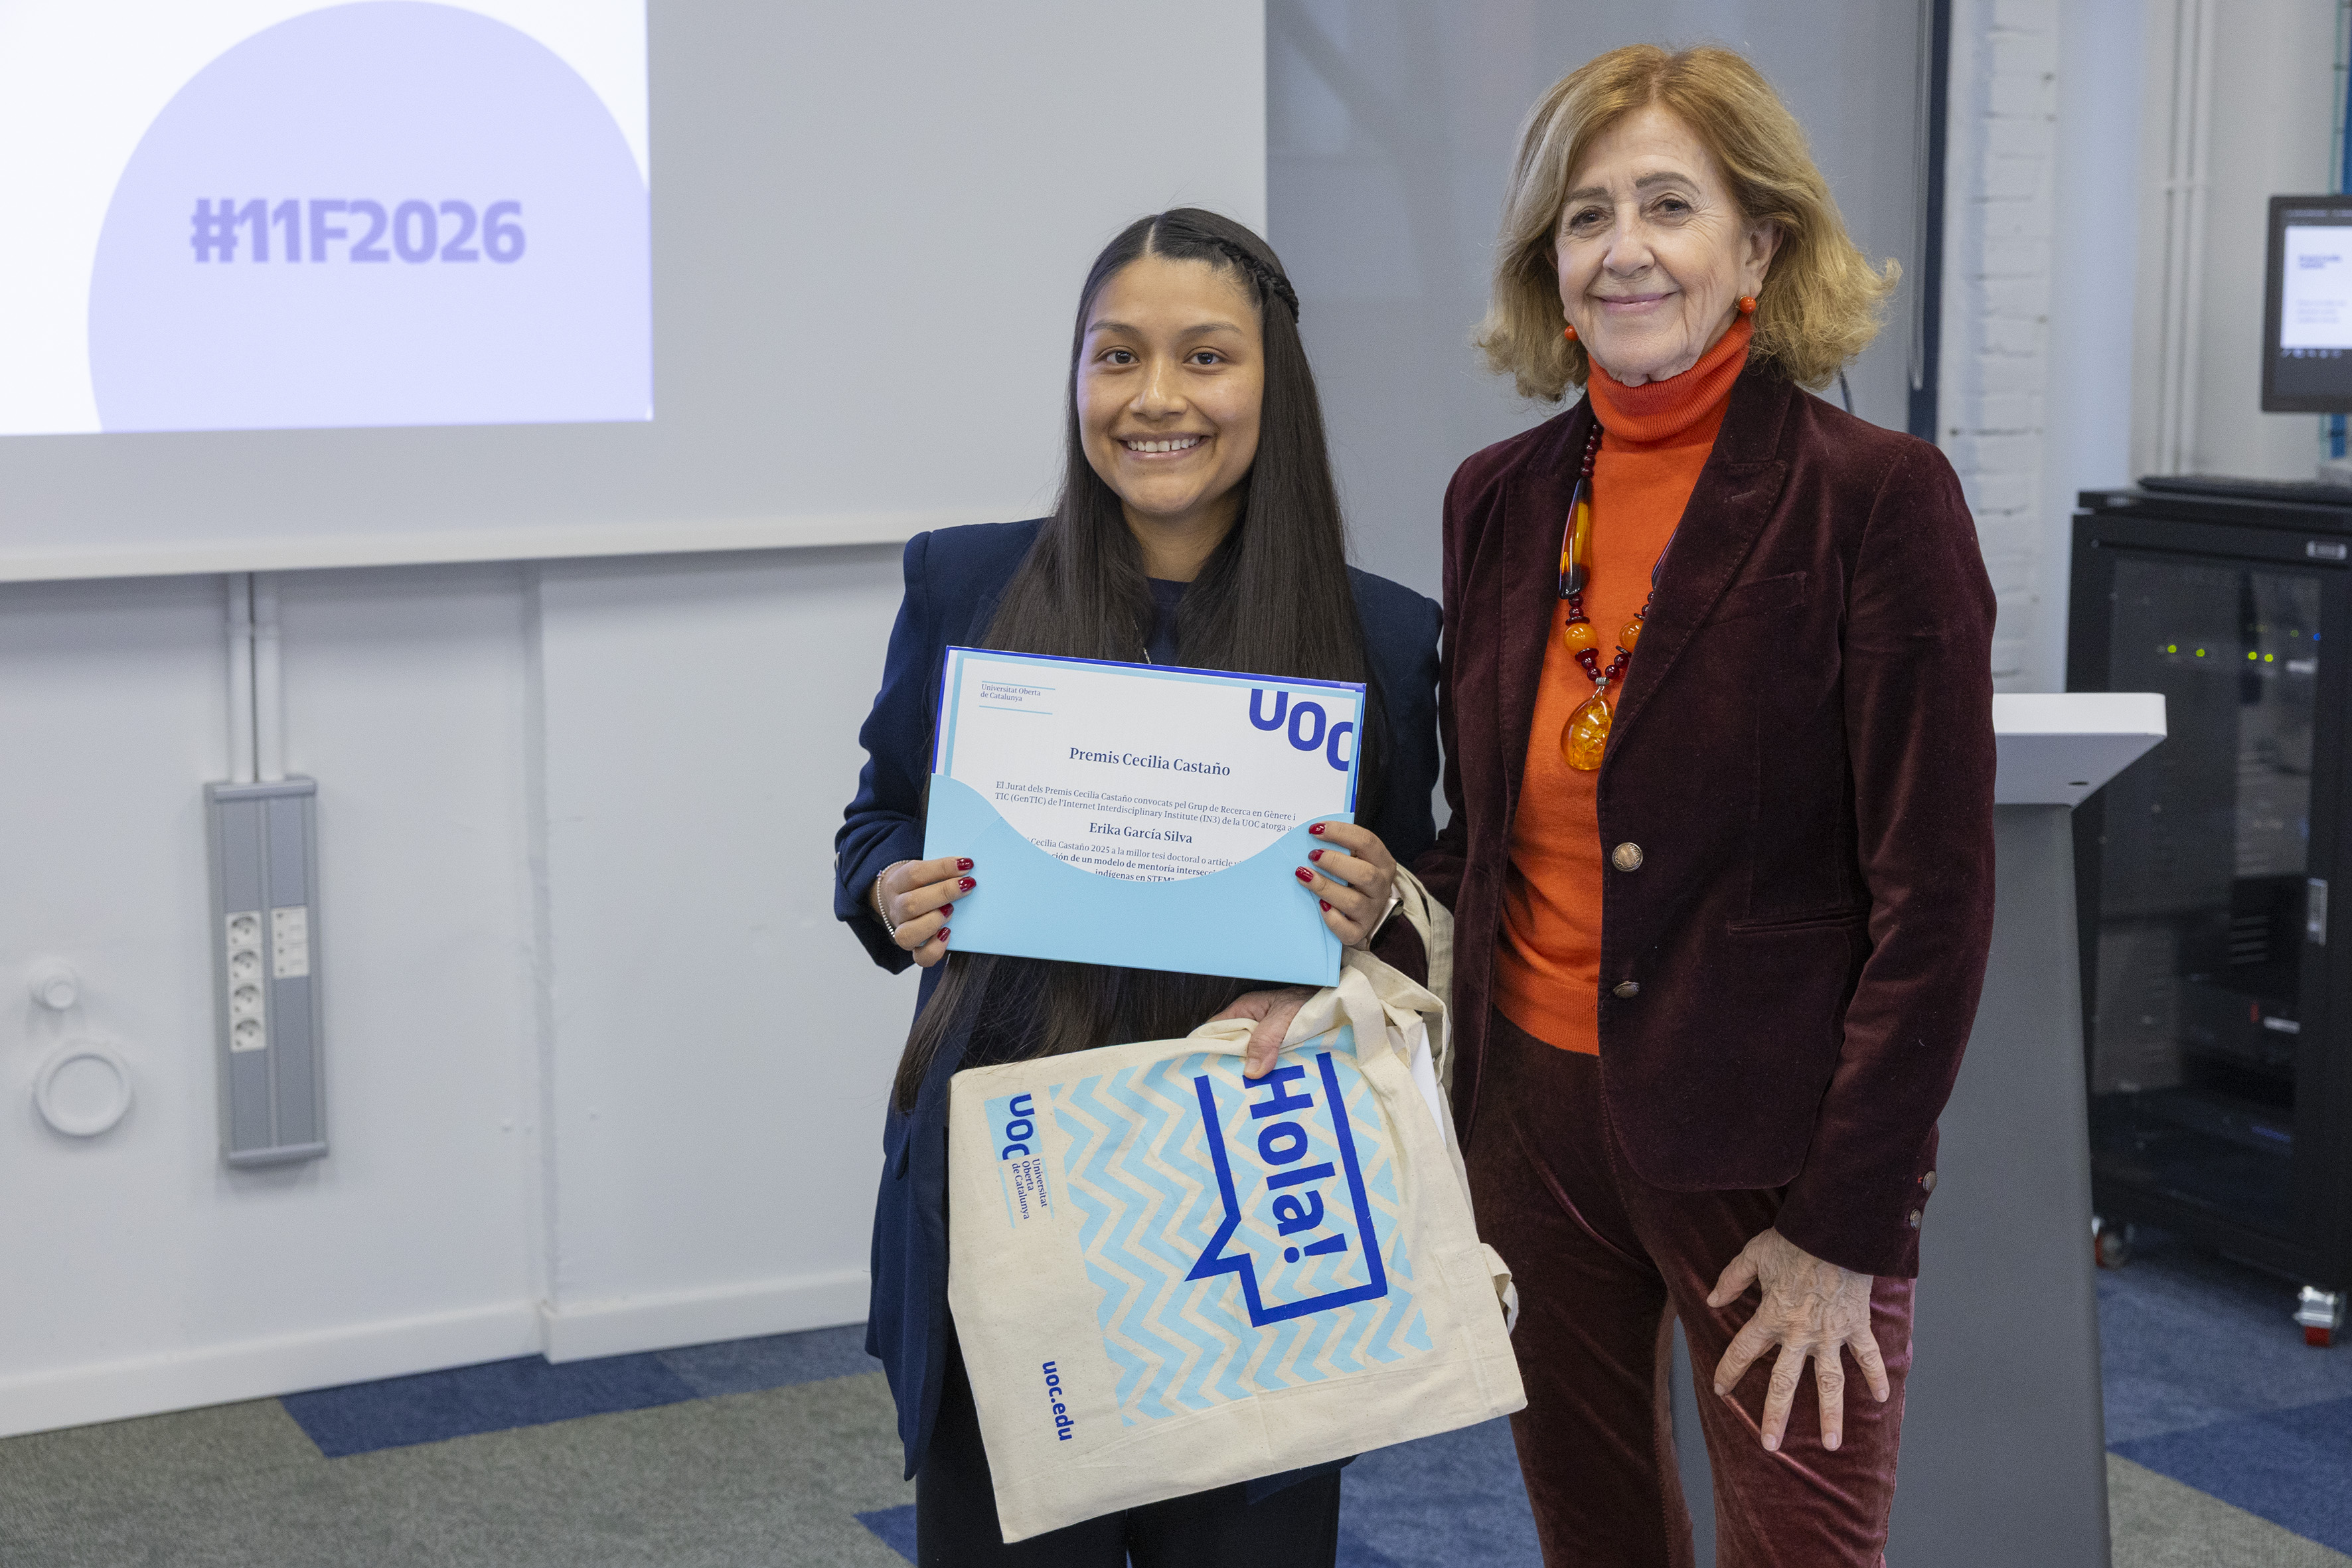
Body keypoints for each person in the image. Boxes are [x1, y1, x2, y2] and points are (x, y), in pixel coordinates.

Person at [1431, 42, 1995, 1567]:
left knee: (1799, 1551)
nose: (1621, 248)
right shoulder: (1496, 495)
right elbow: (1482, 832)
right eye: (1584, 212)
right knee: (1592, 1536)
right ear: (1544, 262)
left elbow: (1931, 907)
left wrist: (1843, 1223)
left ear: (1758, 242)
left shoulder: (1874, 499)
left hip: (1774, 1152)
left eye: (1666, 204)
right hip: (1531, 1127)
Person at [833, 208, 1443, 1567]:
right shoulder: (965, 583)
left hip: (1255, 1201)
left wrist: (1377, 894)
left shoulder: (1383, 637)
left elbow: (1419, 908)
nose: (1154, 397)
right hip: (1014, 1191)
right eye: (1115, 356)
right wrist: (890, 891)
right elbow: (875, 817)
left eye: (1204, 357)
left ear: (1270, 386)